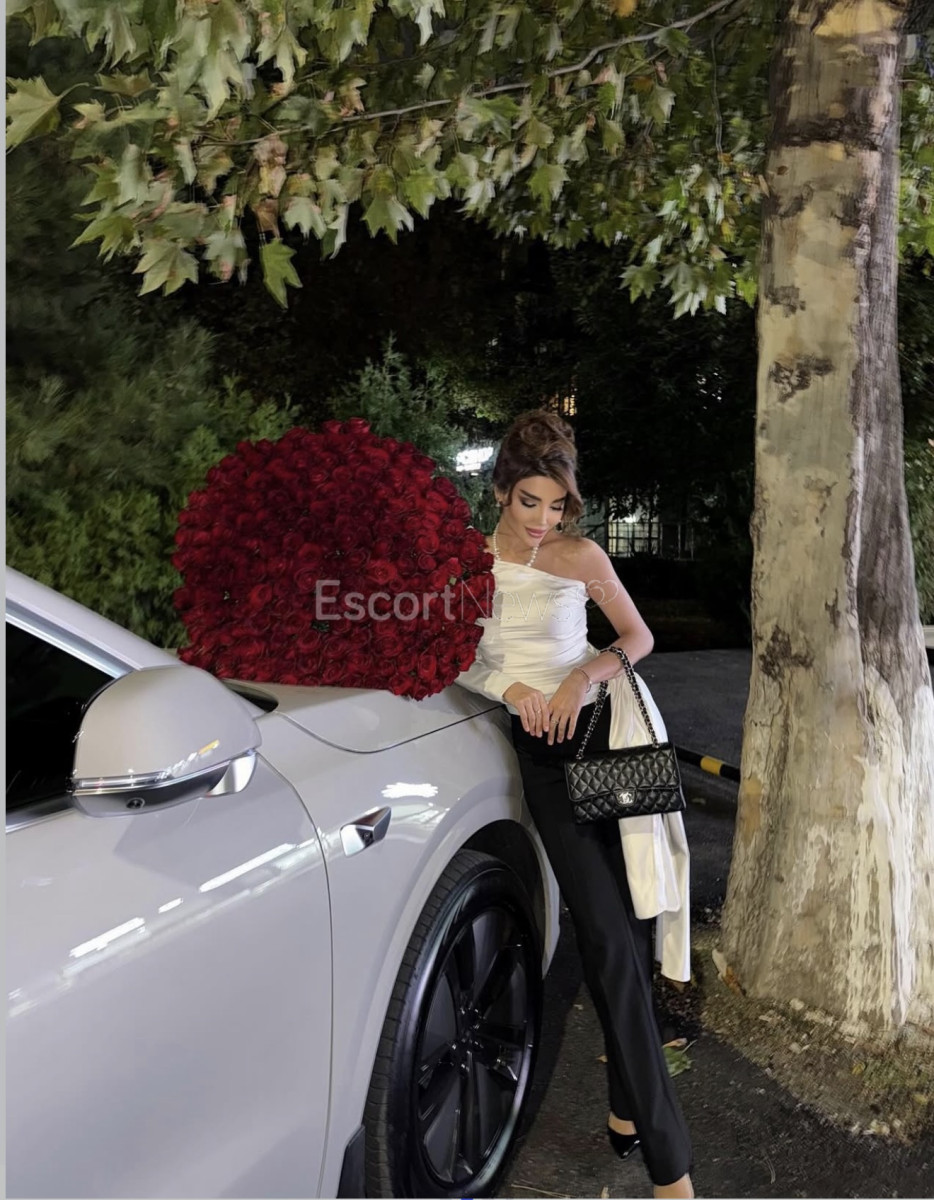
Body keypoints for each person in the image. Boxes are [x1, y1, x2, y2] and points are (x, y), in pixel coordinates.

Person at [457, 409, 694, 1199]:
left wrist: (580, 676)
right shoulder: (467, 560)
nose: (543, 520)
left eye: (557, 505)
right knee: (603, 934)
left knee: (627, 929)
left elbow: (636, 636)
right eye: (530, 501)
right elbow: (456, 654)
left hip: (605, 738)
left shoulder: (581, 556)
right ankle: (672, 1166)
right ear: (501, 488)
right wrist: (511, 687)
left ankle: (631, 1111)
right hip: (545, 762)